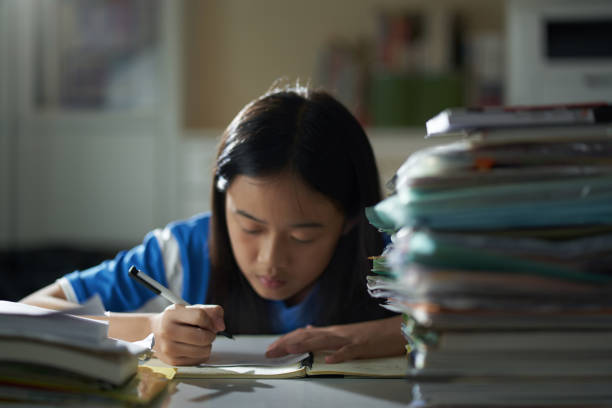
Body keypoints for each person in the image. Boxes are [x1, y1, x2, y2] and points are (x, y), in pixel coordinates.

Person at [22, 84, 405, 366]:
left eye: (303, 236)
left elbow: (464, 321)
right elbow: (24, 315)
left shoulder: (395, 251)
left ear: (351, 219)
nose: (270, 260)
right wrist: (150, 330)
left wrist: (390, 334)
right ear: (223, 205)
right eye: (250, 227)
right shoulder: (183, 251)